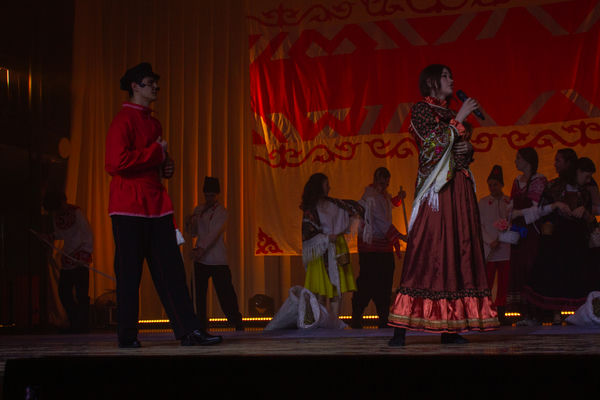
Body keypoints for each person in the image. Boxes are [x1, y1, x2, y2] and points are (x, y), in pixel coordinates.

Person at [105, 62, 221, 347]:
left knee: (172, 271)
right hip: (129, 207)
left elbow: (152, 160)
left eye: (155, 82)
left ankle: (189, 330)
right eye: (150, 82)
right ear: (135, 86)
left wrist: (165, 165)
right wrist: (156, 153)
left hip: (156, 206)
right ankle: (127, 335)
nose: (156, 87)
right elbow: (115, 163)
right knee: (129, 273)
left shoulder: (154, 123)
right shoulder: (123, 120)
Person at [388, 64, 498, 346]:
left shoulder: (451, 114)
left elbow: (455, 152)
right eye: (446, 76)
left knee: (458, 251)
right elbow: (430, 148)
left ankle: (451, 327)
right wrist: (458, 120)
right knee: (427, 251)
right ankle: (401, 326)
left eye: (451, 75)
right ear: (432, 82)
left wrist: (467, 150)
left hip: (459, 189)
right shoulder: (422, 110)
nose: (452, 79)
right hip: (437, 193)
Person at [520, 157, 599, 323]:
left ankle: (576, 315)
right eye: (586, 176)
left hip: (577, 240)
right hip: (556, 238)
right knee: (553, 275)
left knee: (576, 276)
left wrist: (584, 211)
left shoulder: (586, 191)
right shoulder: (554, 186)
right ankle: (551, 313)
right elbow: (541, 210)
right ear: (577, 171)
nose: (588, 180)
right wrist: (556, 206)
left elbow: (591, 215)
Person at [301, 173, 364, 319]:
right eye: (326, 184)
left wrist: (369, 202)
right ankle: (321, 322)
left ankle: (334, 321)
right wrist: (326, 238)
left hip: (337, 248)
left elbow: (354, 208)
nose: (329, 187)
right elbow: (308, 232)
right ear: (318, 186)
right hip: (320, 251)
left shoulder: (334, 203)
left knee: (337, 289)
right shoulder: (311, 209)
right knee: (321, 290)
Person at [350, 167, 407, 329]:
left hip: (383, 246)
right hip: (371, 247)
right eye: (382, 183)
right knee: (368, 282)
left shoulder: (382, 196)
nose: (384, 186)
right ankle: (357, 316)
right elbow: (382, 221)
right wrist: (401, 236)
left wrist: (398, 199)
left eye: (386, 183)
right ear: (375, 180)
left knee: (385, 282)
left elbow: (388, 206)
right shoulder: (370, 197)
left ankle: (383, 317)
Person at [185, 177, 243, 331]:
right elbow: (194, 233)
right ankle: (200, 325)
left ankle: (236, 321)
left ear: (217, 195)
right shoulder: (198, 209)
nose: (209, 198)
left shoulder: (222, 212)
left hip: (217, 259)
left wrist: (200, 248)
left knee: (226, 294)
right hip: (200, 260)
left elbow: (214, 233)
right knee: (198, 296)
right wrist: (189, 223)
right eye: (207, 195)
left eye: (212, 195)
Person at [42, 191, 93, 333]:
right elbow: (62, 234)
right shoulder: (56, 215)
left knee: (81, 293)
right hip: (68, 258)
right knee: (64, 292)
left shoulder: (76, 213)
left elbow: (87, 234)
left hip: (80, 257)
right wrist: (50, 236)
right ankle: (74, 321)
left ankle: (82, 325)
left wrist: (85, 253)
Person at [506, 147, 547, 322]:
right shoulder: (517, 180)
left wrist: (519, 213)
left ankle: (535, 312)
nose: (515, 161)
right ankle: (523, 312)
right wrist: (508, 215)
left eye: (518, 158)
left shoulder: (539, 180)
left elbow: (538, 208)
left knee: (530, 266)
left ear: (528, 161)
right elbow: (511, 203)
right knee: (518, 268)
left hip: (531, 230)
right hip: (517, 230)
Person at [478, 165, 511, 324]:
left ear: (501, 185)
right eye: (490, 185)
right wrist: (490, 241)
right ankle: (485, 312)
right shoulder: (483, 202)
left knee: (504, 282)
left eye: (495, 184)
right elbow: (479, 225)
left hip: (505, 249)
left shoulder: (508, 202)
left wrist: (504, 237)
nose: (492, 188)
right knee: (488, 282)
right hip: (489, 249)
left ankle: (502, 312)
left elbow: (512, 223)